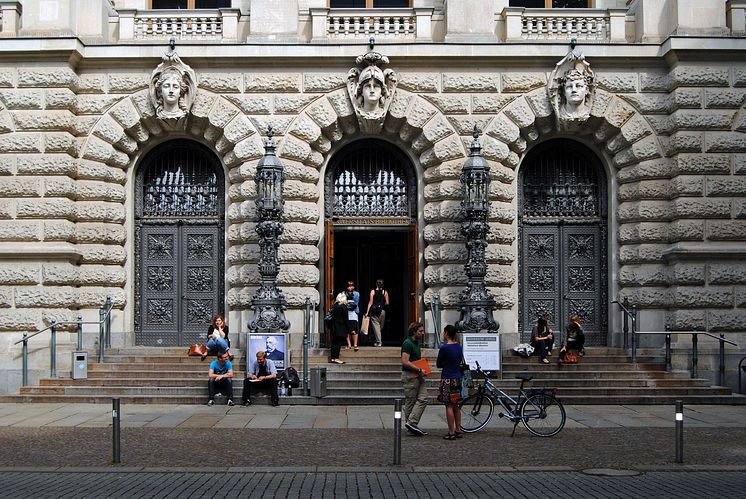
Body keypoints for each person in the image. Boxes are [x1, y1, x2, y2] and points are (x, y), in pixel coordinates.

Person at [436, 325, 463, 440]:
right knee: (456, 404)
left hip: (447, 378)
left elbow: (439, 363)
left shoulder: (445, 348)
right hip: (457, 377)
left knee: (448, 405)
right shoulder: (459, 347)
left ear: (446, 333)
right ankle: (458, 429)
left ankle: (451, 431)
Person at [401, 322, 428, 436]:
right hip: (410, 375)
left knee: (423, 398)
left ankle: (412, 422)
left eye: (423, 331)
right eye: (420, 331)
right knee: (410, 401)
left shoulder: (416, 342)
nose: (422, 333)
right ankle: (411, 424)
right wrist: (419, 369)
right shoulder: (407, 343)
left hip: (417, 374)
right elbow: (405, 361)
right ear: (414, 331)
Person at [365, 278, 389, 347]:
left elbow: (370, 302)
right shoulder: (385, 292)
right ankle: (378, 341)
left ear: (376, 284)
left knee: (376, 327)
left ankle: (379, 342)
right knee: (380, 327)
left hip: (374, 311)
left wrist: (367, 312)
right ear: (383, 285)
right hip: (382, 311)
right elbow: (387, 303)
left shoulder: (372, 292)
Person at [329, 292, 348, 365]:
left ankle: (333, 358)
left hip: (334, 327)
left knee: (334, 343)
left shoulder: (334, 306)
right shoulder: (343, 307)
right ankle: (336, 358)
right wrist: (350, 329)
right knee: (338, 343)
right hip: (341, 327)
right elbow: (346, 319)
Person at [345, 280, 360, 352]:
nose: (350, 287)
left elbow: (355, 303)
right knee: (347, 329)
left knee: (354, 329)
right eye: (349, 286)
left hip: (354, 312)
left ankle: (355, 344)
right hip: (346, 312)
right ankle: (349, 344)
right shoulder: (344, 293)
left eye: (351, 286)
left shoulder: (356, 294)